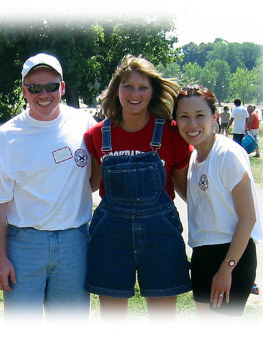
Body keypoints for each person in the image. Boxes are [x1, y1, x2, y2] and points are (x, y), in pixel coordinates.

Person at [0, 53, 96, 320]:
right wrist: (0, 258)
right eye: (34, 88)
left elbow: (94, 178)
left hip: (74, 242)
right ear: (24, 91)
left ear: (63, 87)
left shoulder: (85, 125)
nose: (43, 94)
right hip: (24, 244)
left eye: (51, 86)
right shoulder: (8, 136)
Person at [83, 54, 192, 321]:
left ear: (153, 92)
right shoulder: (97, 135)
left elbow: (187, 191)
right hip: (111, 236)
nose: (135, 94)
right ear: (116, 90)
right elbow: (92, 185)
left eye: (143, 87)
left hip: (160, 235)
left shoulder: (171, 133)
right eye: (128, 86)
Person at [173, 85, 263, 317]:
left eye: (200, 115)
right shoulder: (194, 157)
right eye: (184, 117)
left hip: (231, 255)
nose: (192, 124)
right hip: (202, 252)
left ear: (214, 116)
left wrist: (227, 267)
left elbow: (248, 217)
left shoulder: (228, 154)